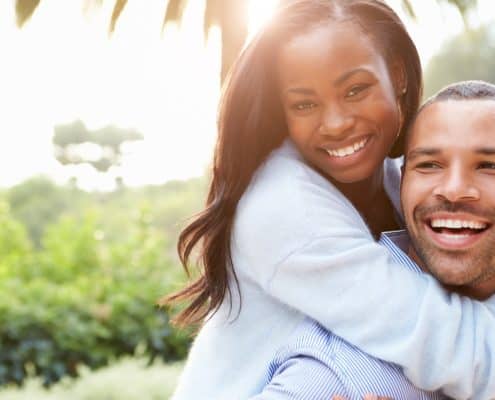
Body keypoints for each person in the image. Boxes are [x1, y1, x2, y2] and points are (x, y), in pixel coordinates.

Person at [168, 1, 495, 399]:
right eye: (304, 104)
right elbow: (456, 350)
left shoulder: (403, 181)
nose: (336, 123)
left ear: (398, 75)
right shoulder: (284, 206)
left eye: (356, 90)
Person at [250, 80, 495, 400]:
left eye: (489, 166)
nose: (454, 188)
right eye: (429, 165)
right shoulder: (339, 370)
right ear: (403, 179)